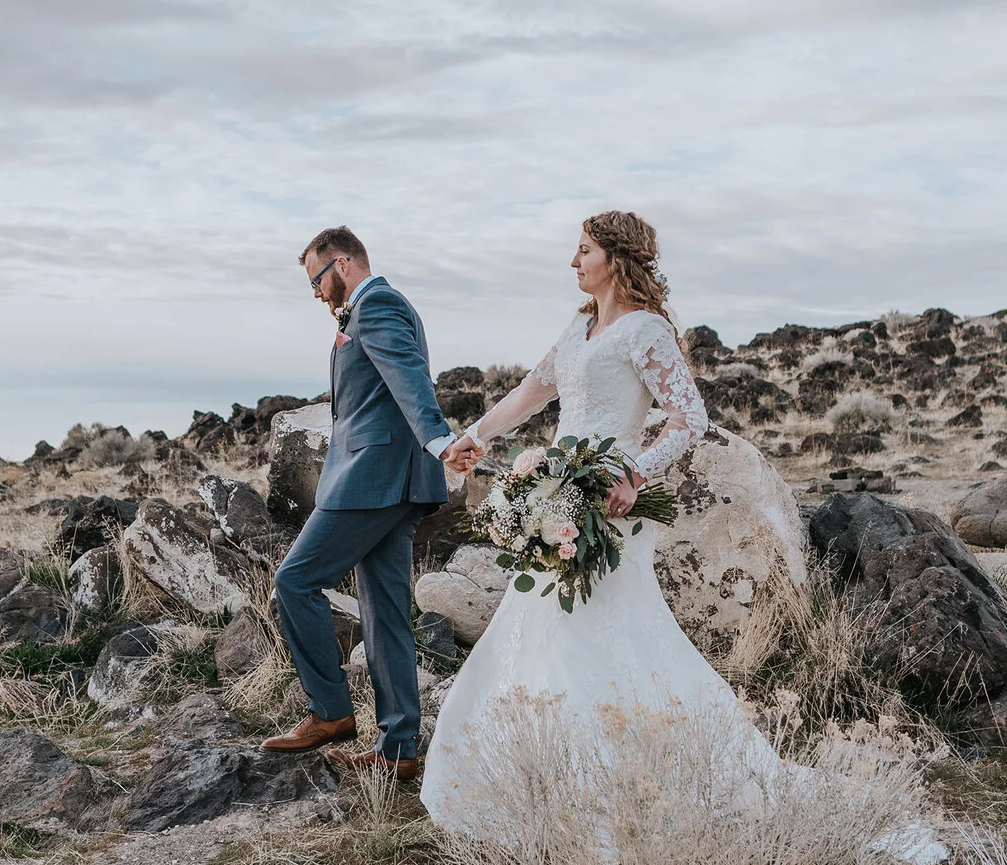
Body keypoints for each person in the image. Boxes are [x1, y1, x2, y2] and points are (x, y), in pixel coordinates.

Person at [421, 210, 787, 833]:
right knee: (539, 630)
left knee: (601, 634)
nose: (573, 261)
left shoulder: (646, 332)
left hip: (606, 505)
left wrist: (635, 473)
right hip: (555, 498)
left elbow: (688, 417)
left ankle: (625, 785)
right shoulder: (579, 326)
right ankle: (535, 780)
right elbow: (532, 393)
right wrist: (473, 437)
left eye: (583, 249)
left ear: (614, 258)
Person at [260, 226, 456, 780]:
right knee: (384, 612)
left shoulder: (379, 305)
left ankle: (330, 712)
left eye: (317, 280)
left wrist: (439, 439)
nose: (317, 294)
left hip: (373, 476)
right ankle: (399, 752)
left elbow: (409, 378)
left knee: (295, 581)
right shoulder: (371, 309)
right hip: (392, 479)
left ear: (342, 264)